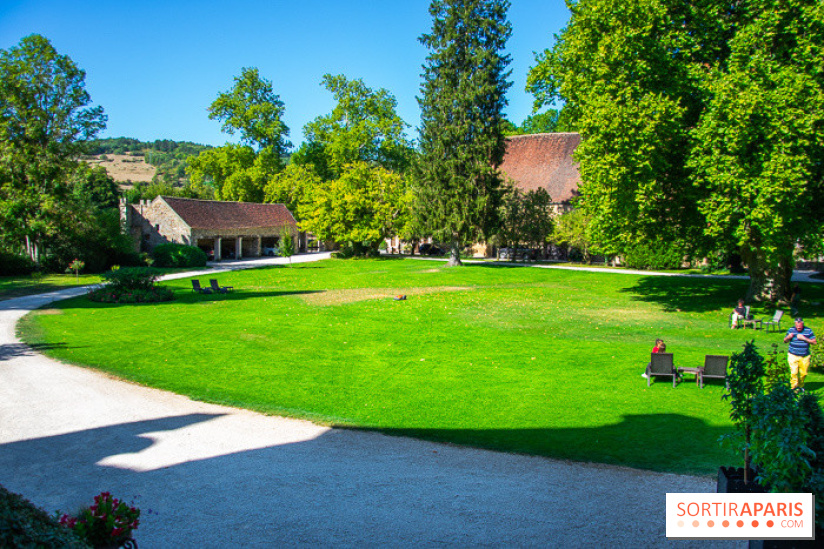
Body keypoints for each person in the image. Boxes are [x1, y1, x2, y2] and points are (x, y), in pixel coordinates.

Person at [784, 317, 817, 390]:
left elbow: (814, 342)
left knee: (803, 373)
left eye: (800, 326)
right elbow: (785, 341)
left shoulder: (808, 331)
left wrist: (804, 338)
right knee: (794, 372)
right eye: (797, 326)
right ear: (795, 324)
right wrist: (789, 337)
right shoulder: (791, 330)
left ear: (803, 324)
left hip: (805, 356)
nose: (798, 327)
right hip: (793, 355)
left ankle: (801, 386)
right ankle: (794, 388)